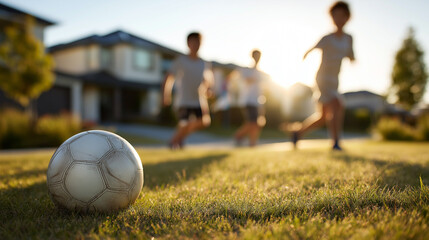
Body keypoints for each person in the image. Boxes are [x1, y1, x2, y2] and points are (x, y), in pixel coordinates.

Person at [292, 1, 355, 150]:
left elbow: (351, 55)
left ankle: (298, 132)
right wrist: (305, 55)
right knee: (337, 104)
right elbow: (312, 48)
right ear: (331, 18)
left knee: (323, 116)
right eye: (335, 15)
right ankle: (336, 142)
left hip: (335, 80)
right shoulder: (327, 38)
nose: (338, 19)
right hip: (322, 78)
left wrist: (353, 59)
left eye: (342, 15)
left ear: (347, 18)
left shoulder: (349, 38)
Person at [162, 32, 214, 149]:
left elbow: (208, 81)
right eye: (193, 42)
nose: (196, 45)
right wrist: (166, 95)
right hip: (183, 100)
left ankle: (175, 140)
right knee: (184, 124)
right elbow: (168, 78)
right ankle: (176, 142)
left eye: (198, 42)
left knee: (204, 121)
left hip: (198, 99)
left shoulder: (204, 63)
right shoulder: (181, 60)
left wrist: (208, 89)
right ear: (188, 44)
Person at [233, 49, 266, 147]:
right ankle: (239, 136)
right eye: (256, 56)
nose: (257, 58)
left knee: (256, 124)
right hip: (248, 100)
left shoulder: (260, 72)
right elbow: (246, 80)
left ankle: (252, 142)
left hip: (257, 101)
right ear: (252, 56)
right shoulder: (246, 70)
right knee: (253, 123)